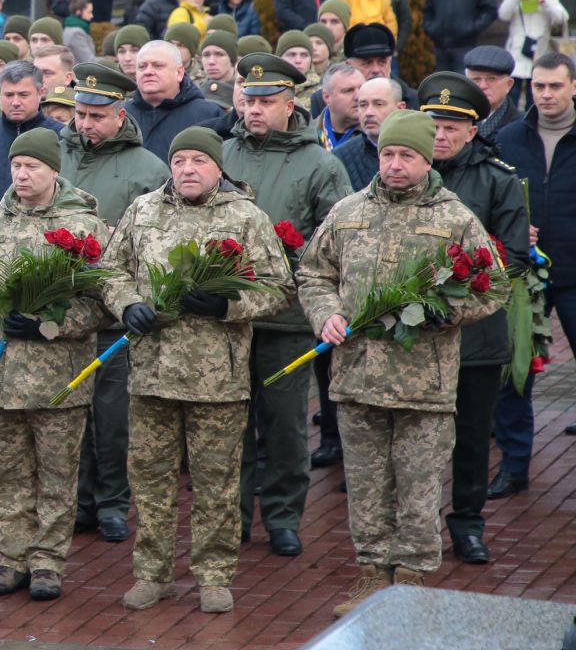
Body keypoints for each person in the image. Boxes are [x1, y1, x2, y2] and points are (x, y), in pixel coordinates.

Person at [297, 110, 497, 616]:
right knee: (365, 487)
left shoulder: (454, 218)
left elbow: (493, 285)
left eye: (406, 155)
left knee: (418, 488)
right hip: (357, 377)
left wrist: (443, 311)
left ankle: (410, 581)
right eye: (388, 153)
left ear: (427, 159)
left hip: (422, 385)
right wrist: (327, 315)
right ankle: (370, 576)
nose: (395, 164)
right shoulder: (347, 211)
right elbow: (314, 274)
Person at [100, 126, 291, 614]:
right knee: (150, 479)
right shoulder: (143, 210)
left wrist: (227, 305)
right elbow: (111, 270)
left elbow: (278, 288)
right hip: (152, 373)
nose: (187, 169)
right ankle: (152, 574)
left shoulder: (245, 216)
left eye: (198, 161)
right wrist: (126, 305)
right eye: (180, 160)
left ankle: (214, 576)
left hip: (217, 379)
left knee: (216, 482)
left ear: (217, 167)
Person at [0, 128, 110, 601]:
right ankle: (12, 557)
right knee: (4, 474)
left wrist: (50, 324)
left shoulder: (84, 228)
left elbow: (104, 303)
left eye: (32, 167)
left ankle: (48, 562)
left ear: (53, 170)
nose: (21, 174)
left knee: (58, 474)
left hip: (59, 379)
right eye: (16, 166)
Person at [223, 54, 352, 557]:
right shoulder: (221, 153)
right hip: (225, 318)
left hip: (286, 318)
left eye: (266, 102)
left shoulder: (320, 163)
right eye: (249, 100)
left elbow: (335, 241)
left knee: (283, 424)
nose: (254, 110)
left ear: (290, 103)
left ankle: (282, 516)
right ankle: (229, 517)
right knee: (228, 425)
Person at [419, 72, 529, 565]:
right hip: (413, 336)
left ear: (472, 129)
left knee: (469, 440)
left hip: (475, 337)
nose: (441, 135)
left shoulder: (498, 180)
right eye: (433, 125)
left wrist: (459, 293)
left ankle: (466, 523)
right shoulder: (404, 176)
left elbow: (514, 259)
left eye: (451, 126)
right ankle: (415, 527)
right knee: (415, 439)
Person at [58, 63, 168, 544]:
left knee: (114, 417)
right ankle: (77, 502)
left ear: (120, 115)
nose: (85, 124)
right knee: (67, 416)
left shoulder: (148, 168)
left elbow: (157, 240)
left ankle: (112, 503)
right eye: (81, 114)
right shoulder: (54, 154)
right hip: (60, 314)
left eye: (97, 116)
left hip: (115, 317)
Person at [493, 54, 576, 490]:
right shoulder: (509, 139)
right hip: (523, 274)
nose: (545, 94)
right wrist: (512, 229)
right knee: (515, 371)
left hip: (575, 271)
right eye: (539, 86)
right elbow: (493, 197)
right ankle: (513, 467)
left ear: (574, 87)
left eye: (555, 86)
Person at [0, 62, 63, 210]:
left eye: (23, 95)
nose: (15, 102)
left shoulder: (61, 137)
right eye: (8, 95)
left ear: (40, 93)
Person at [124, 40, 225, 161]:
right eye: (142, 66)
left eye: (158, 66)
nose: (148, 72)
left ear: (179, 72)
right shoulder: (123, 115)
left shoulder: (208, 114)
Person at [498, 0, 568, 108]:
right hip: (516, 53)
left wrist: (546, 3)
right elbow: (503, 14)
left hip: (539, 52)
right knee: (512, 95)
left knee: (534, 96)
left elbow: (562, 18)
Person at [334, 77, 406, 192]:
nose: (368, 113)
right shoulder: (339, 158)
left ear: (400, 108)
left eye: (378, 104)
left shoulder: (422, 151)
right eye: (363, 105)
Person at [464, 46, 522, 143]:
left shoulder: (522, 125)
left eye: (491, 79)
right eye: (476, 79)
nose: (482, 86)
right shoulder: (456, 118)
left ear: (509, 84)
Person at [317, 63, 365, 151]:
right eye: (348, 91)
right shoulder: (307, 134)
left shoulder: (376, 134)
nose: (358, 97)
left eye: (362, 88)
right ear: (327, 97)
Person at [275, 31, 321, 106]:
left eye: (304, 55)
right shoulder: (268, 87)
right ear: (280, 58)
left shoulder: (321, 91)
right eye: (291, 55)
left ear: (311, 59)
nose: (298, 60)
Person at [197, 32, 238, 111]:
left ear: (232, 59)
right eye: (206, 55)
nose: (211, 61)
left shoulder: (244, 91)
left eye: (219, 54)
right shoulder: (195, 90)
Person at [60, 0, 97, 66]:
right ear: (78, 12)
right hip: (79, 74)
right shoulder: (77, 33)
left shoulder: (69, 27)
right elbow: (88, 61)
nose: (92, 16)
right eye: (89, 12)